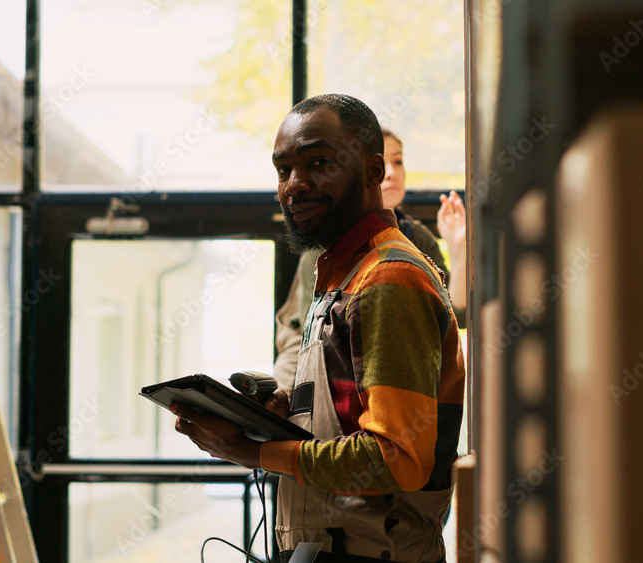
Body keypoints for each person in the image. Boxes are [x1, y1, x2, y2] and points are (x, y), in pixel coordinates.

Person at [170, 93, 465, 562]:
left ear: (373, 172)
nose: (295, 185)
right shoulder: (341, 276)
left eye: (319, 163)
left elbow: (397, 459)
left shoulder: (389, 278)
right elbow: (352, 416)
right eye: (283, 169)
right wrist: (285, 413)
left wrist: (255, 454)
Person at [273, 128, 466, 394]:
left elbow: (455, 316)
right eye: (383, 163)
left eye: (398, 161)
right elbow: (312, 334)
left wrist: (458, 249)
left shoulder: (414, 237)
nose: (392, 171)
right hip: (312, 369)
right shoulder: (324, 239)